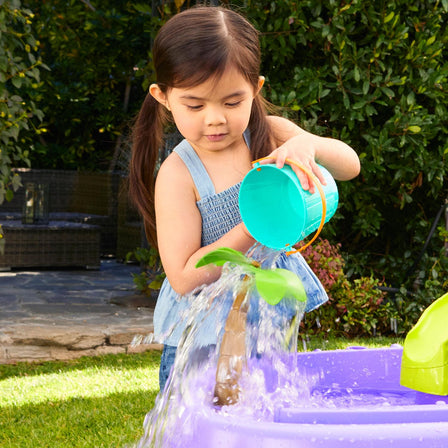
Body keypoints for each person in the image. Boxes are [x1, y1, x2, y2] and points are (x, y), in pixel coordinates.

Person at [129, 6, 360, 391]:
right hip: (204, 338)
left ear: (256, 89)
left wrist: (309, 144)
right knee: (207, 428)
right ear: (163, 97)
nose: (215, 118)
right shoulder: (178, 174)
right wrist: (253, 227)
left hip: (266, 321)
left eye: (232, 102)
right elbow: (184, 276)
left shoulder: (271, 134)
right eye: (195, 105)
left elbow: (349, 166)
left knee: (265, 418)